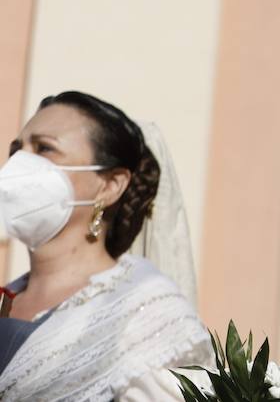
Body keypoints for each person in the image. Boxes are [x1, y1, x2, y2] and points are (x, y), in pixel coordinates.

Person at [0, 91, 211, 401]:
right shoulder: (9, 294)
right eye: (16, 149)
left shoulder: (146, 317)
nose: (20, 163)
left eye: (44, 148)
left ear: (110, 186)